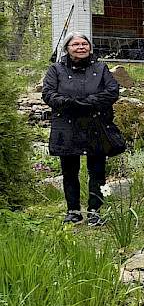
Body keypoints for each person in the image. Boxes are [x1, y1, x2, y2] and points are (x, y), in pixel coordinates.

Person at [43, 31, 121, 226]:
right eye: (76, 44)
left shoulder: (101, 68)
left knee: (97, 172)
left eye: (84, 44)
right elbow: (48, 94)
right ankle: (74, 212)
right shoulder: (56, 69)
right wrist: (71, 104)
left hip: (96, 125)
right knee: (70, 172)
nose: (81, 47)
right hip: (66, 126)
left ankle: (95, 212)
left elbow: (112, 91)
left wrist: (89, 102)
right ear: (67, 48)